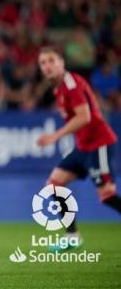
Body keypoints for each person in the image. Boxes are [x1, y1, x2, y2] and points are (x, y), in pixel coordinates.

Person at [36, 47, 120, 249]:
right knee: (54, 185)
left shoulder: (70, 84)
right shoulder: (58, 89)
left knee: (107, 195)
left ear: (62, 62)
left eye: (51, 60)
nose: (47, 66)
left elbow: (85, 117)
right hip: (83, 147)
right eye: (43, 63)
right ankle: (72, 236)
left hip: (99, 143)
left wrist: (55, 136)